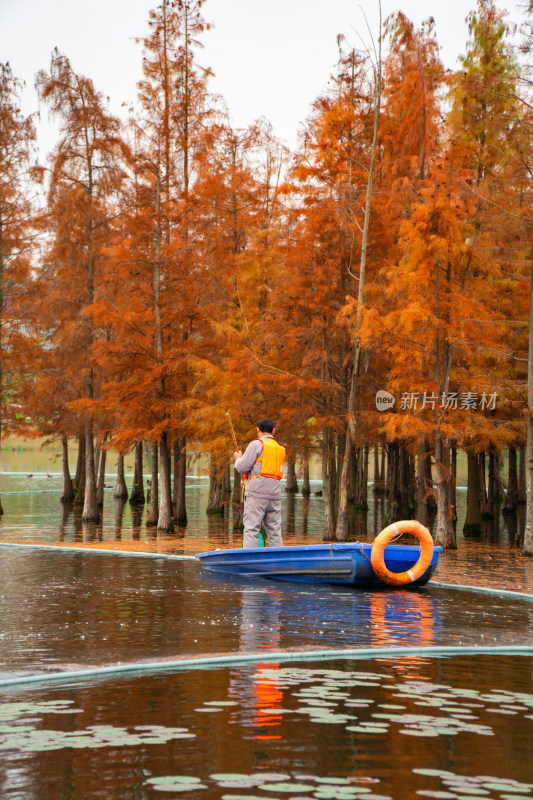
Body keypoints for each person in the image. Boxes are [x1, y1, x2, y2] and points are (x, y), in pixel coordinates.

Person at [233, 418, 286, 548]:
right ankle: (277, 561)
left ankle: (248, 561)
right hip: (274, 495)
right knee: (274, 531)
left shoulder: (256, 444)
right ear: (273, 431)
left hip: (256, 495)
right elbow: (265, 471)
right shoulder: (280, 449)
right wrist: (248, 479)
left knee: (251, 529)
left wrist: (238, 459)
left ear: (258, 430)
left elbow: (242, 467)